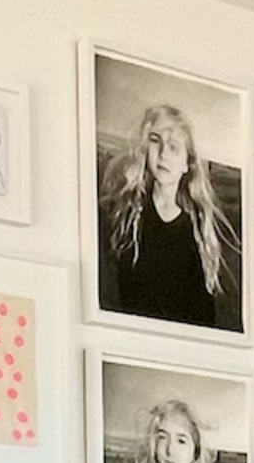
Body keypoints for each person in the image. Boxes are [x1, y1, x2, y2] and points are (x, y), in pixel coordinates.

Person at [98, 100, 236, 332]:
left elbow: (204, 313)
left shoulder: (197, 231)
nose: (163, 154)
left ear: (187, 164)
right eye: (155, 141)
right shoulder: (123, 214)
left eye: (173, 147)